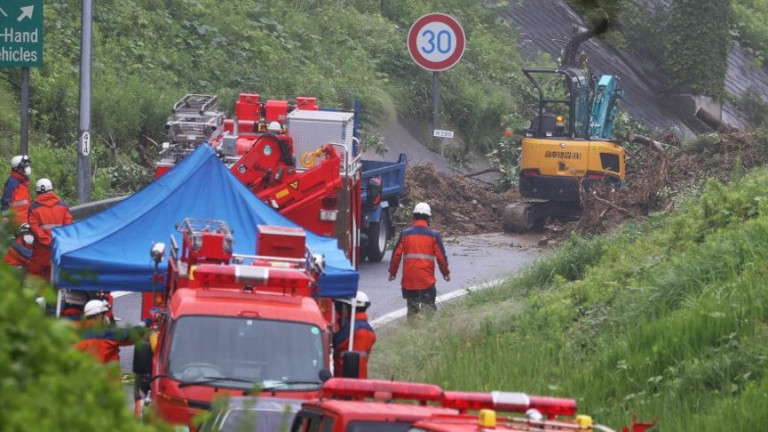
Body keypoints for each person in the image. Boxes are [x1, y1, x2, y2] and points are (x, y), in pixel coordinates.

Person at [388, 202, 450, 323]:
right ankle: (425, 331)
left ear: (413, 217)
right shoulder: (434, 236)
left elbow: (396, 256)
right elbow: (441, 258)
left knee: (412, 310)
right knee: (429, 308)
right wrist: (445, 273)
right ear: (428, 219)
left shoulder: (405, 234)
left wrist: (392, 272)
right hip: (426, 281)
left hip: (409, 281)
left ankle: (413, 332)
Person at [27, 178, 73, 279]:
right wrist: (57, 241)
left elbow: (34, 229)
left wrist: (47, 241)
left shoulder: (34, 209)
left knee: (36, 278)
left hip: (42, 250)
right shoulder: (63, 206)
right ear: (51, 189)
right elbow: (68, 227)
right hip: (60, 248)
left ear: (38, 192)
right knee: (59, 278)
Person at [74, 299, 144, 364]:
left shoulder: (76, 333)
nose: (106, 318)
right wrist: (143, 325)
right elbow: (128, 335)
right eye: (105, 315)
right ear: (98, 316)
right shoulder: (107, 334)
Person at [332, 291, 376, 378]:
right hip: (356, 379)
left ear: (351, 308)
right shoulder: (365, 328)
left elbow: (337, 342)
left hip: (346, 380)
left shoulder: (354, 328)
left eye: (341, 307)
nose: (339, 311)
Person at [1, 154, 32, 225]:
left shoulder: (23, 182)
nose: (27, 169)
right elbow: (5, 200)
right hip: (15, 222)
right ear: (19, 169)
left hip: (24, 220)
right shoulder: (12, 182)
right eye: (25, 166)